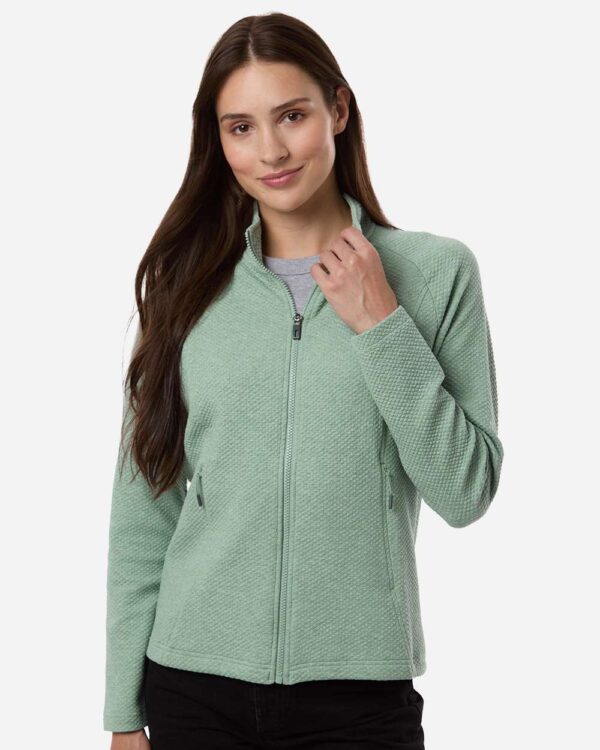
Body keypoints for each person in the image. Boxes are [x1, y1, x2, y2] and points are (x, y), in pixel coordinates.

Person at [103, 11, 504, 750]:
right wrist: (123, 714)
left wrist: (382, 324)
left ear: (338, 110)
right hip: (192, 686)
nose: (272, 151)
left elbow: (466, 490)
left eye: (292, 115)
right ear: (218, 141)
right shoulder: (185, 287)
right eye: (241, 127)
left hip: (359, 698)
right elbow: (143, 508)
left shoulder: (435, 273)